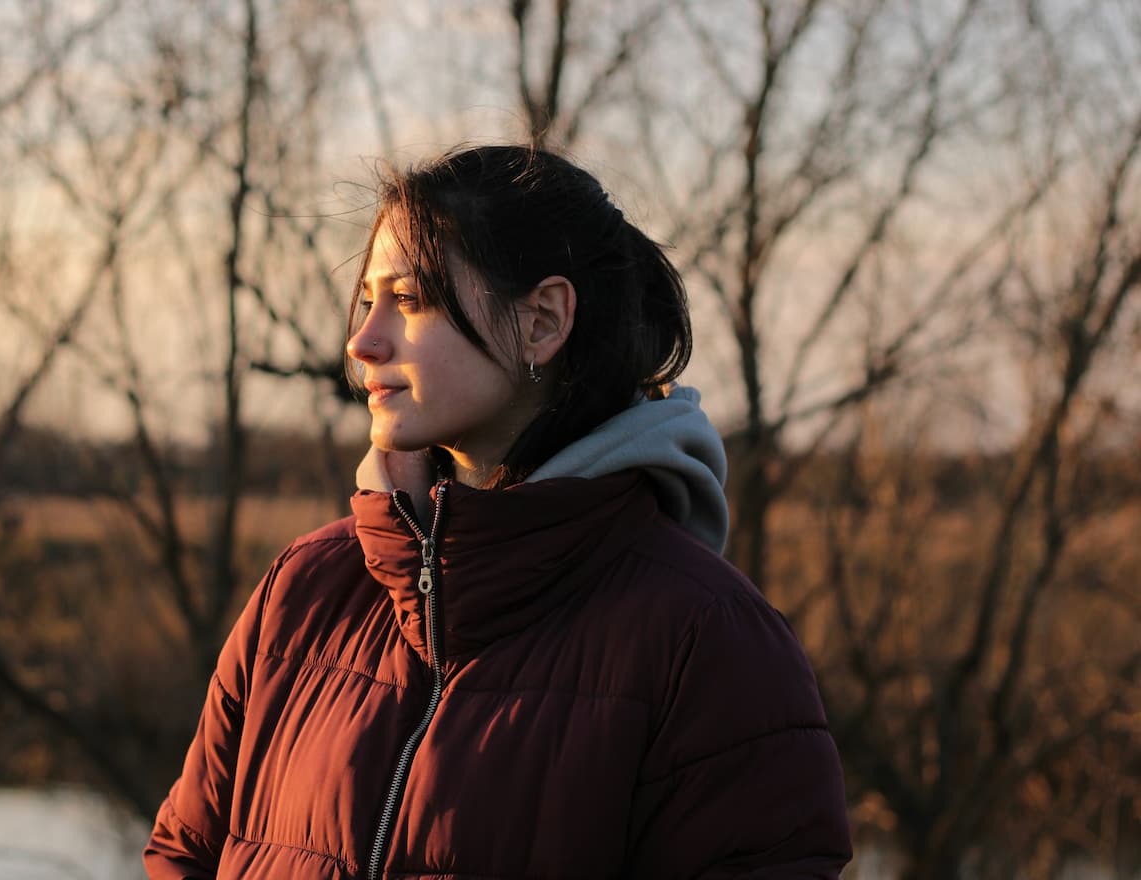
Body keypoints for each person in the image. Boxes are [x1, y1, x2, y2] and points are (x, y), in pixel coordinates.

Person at [144, 144, 852, 879]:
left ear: (542, 321)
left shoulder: (709, 642)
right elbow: (184, 856)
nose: (363, 341)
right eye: (366, 300)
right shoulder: (303, 592)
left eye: (411, 301)